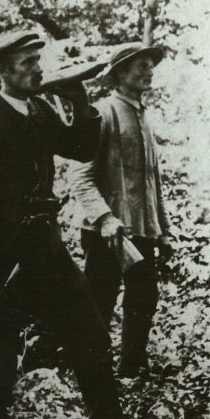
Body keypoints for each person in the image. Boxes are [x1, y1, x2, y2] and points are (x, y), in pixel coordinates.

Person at [0, 30, 125, 419]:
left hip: (44, 246)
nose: (36, 68)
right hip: (7, 255)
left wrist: (79, 98)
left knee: (89, 333)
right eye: (26, 62)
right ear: (3, 70)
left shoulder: (40, 111)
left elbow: (81, 145)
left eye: (37, 60)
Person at [71, 43, 173, 377]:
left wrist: (164, 230)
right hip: (106, 231)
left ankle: (132, 366)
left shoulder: (144, 116)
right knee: (99, 301)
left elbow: (152, 181)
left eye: (150, 65)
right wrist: (104, 219)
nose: (148, 71)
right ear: (119, 74)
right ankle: (92, 370)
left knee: (144, 297)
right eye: (140, 66)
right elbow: (81, 176)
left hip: (140, 230)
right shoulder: (102, 113)